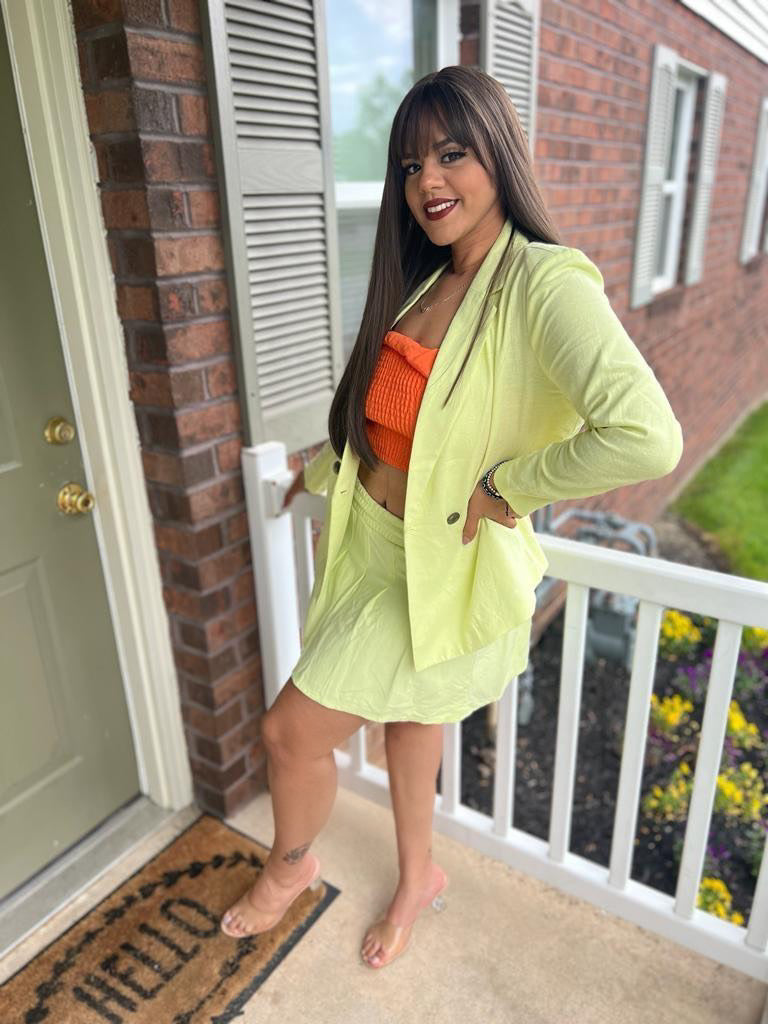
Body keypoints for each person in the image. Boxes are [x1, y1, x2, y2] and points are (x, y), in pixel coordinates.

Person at [219, 65, 683, 968]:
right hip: (372, 552)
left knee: (289, 733)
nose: (426, 181)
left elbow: (647, 437)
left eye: (451, 155)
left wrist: (509, 487)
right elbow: (393, 424)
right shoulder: (426, 280)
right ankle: (417, 876)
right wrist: (316, 471)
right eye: (409, 165)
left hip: (442, 562)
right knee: (409, 721)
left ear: (500, 156)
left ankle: (289, 866)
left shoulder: (543, 283)